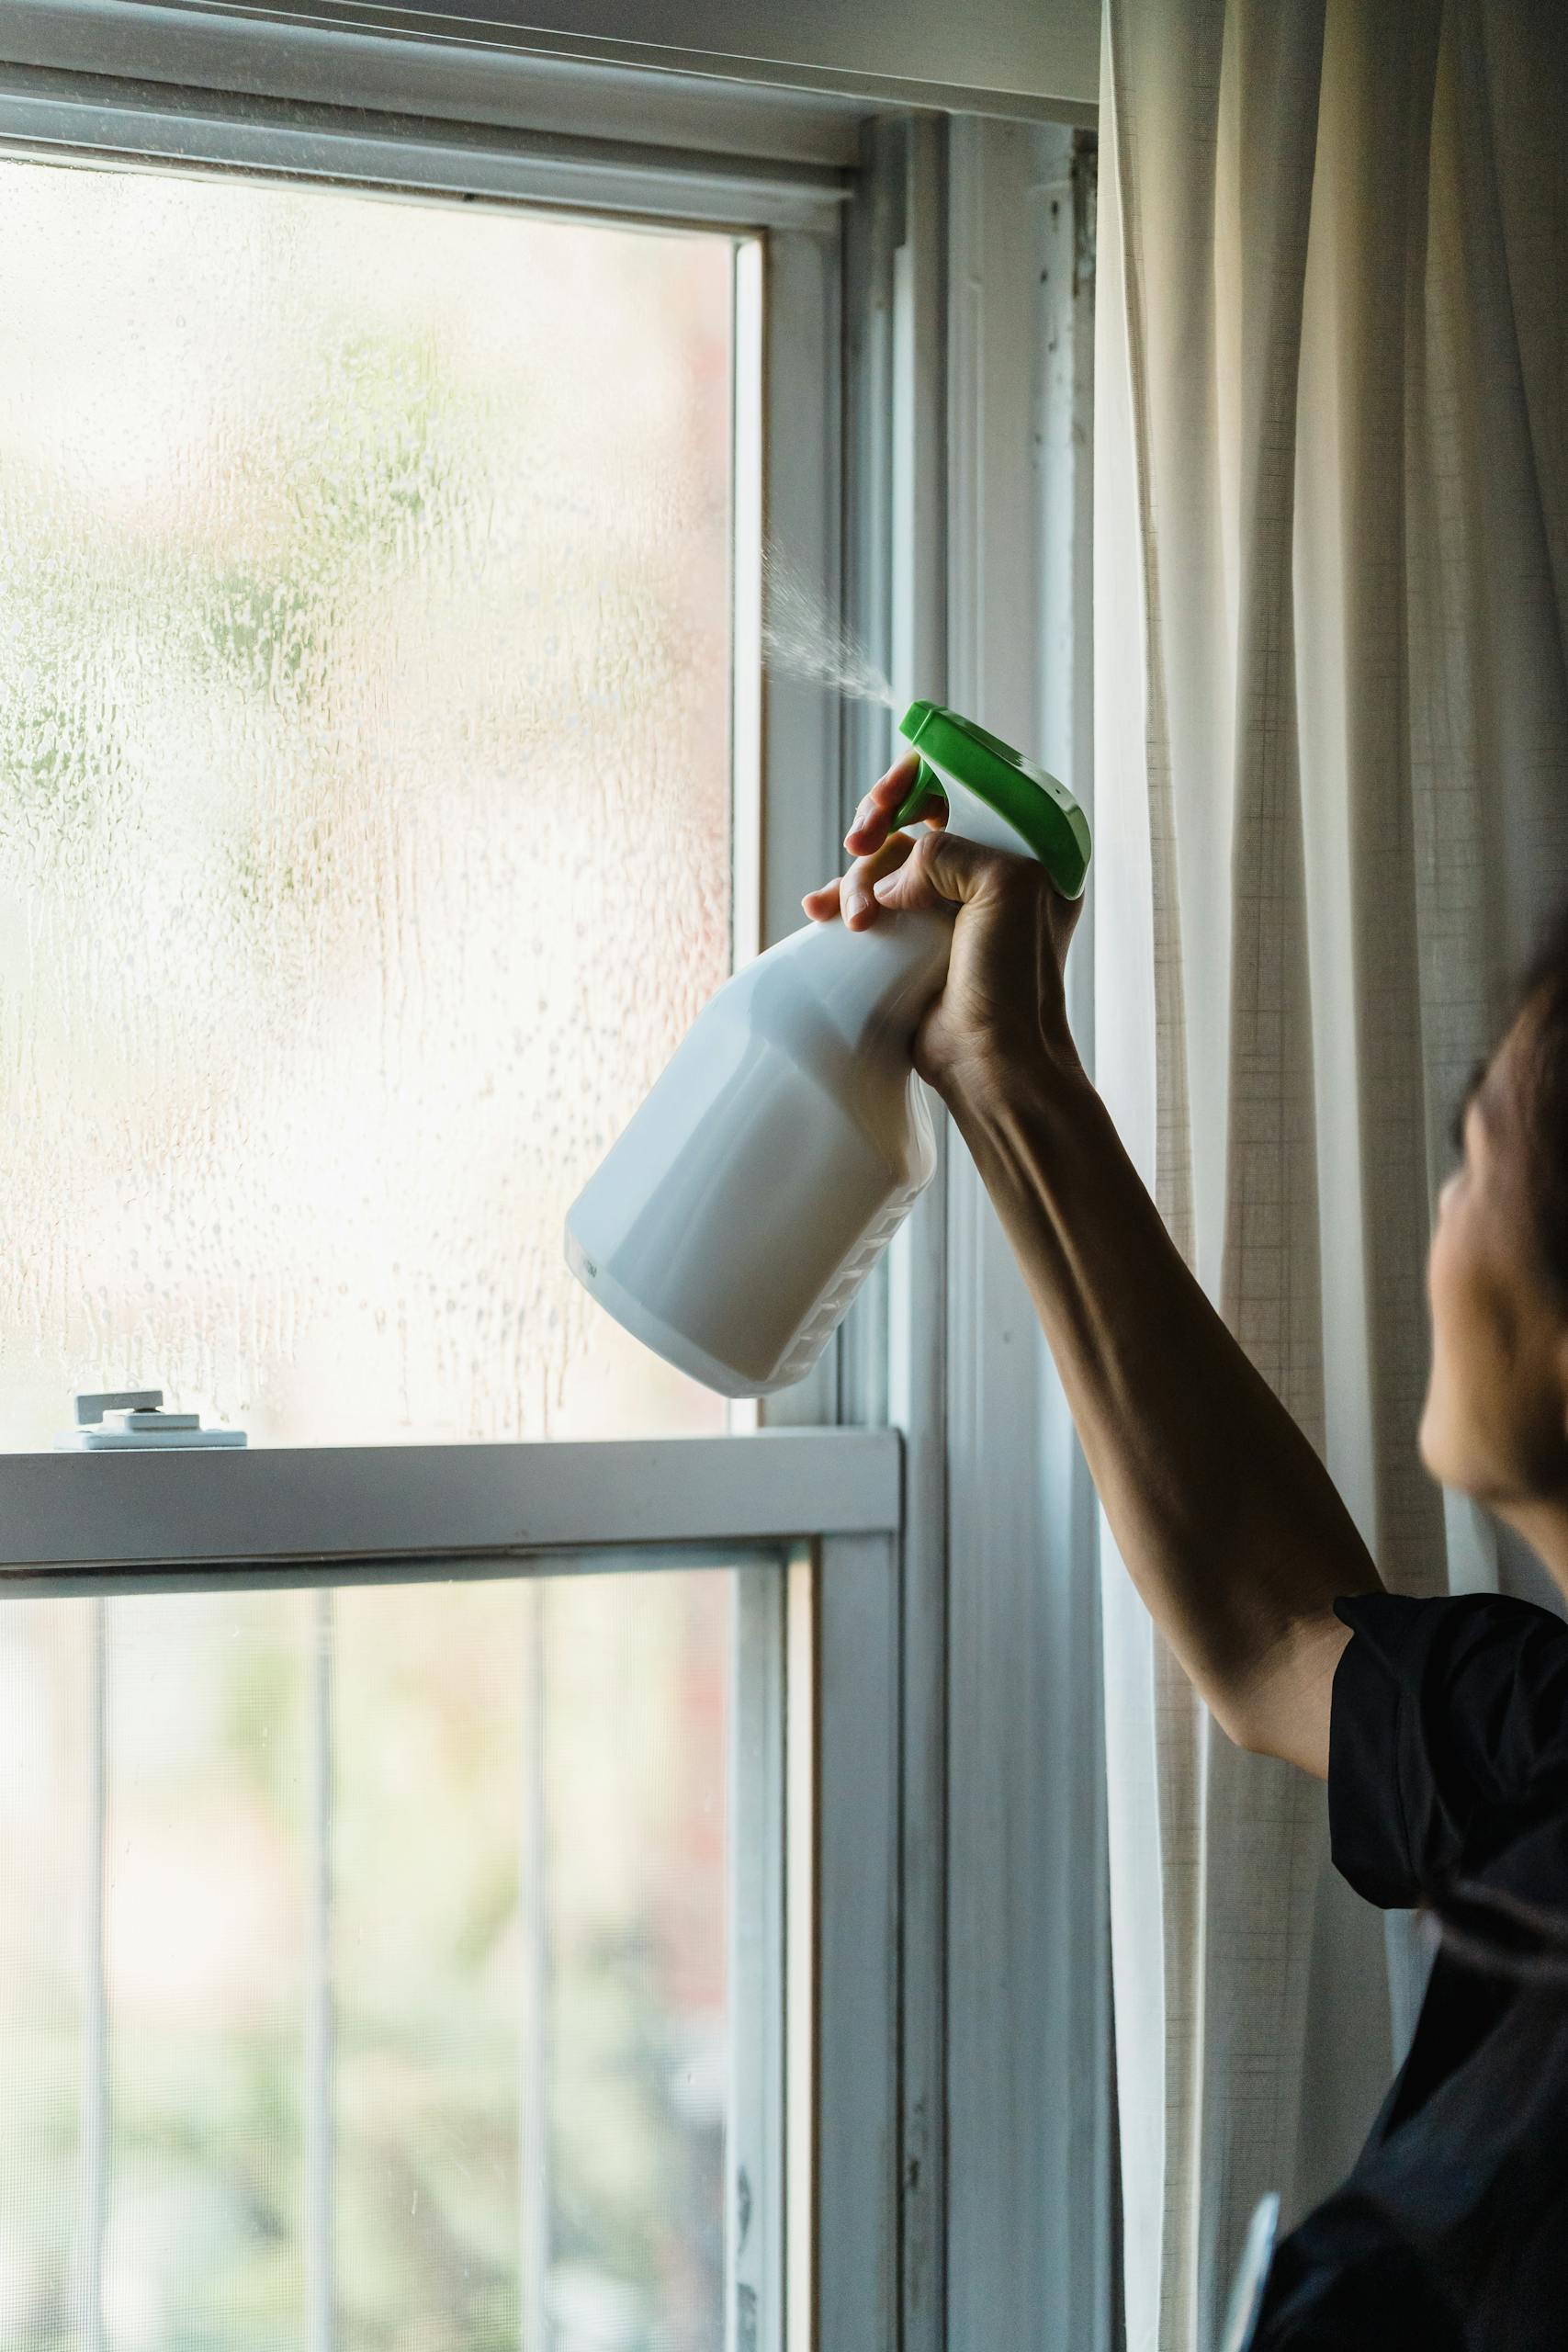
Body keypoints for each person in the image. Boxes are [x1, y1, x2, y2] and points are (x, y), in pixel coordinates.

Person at [807, 756, 1568, 2349]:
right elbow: (1273, 1630)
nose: (1442, 1207)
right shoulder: (1546, 1738)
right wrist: (1002, 1062)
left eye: (1471, 1146)